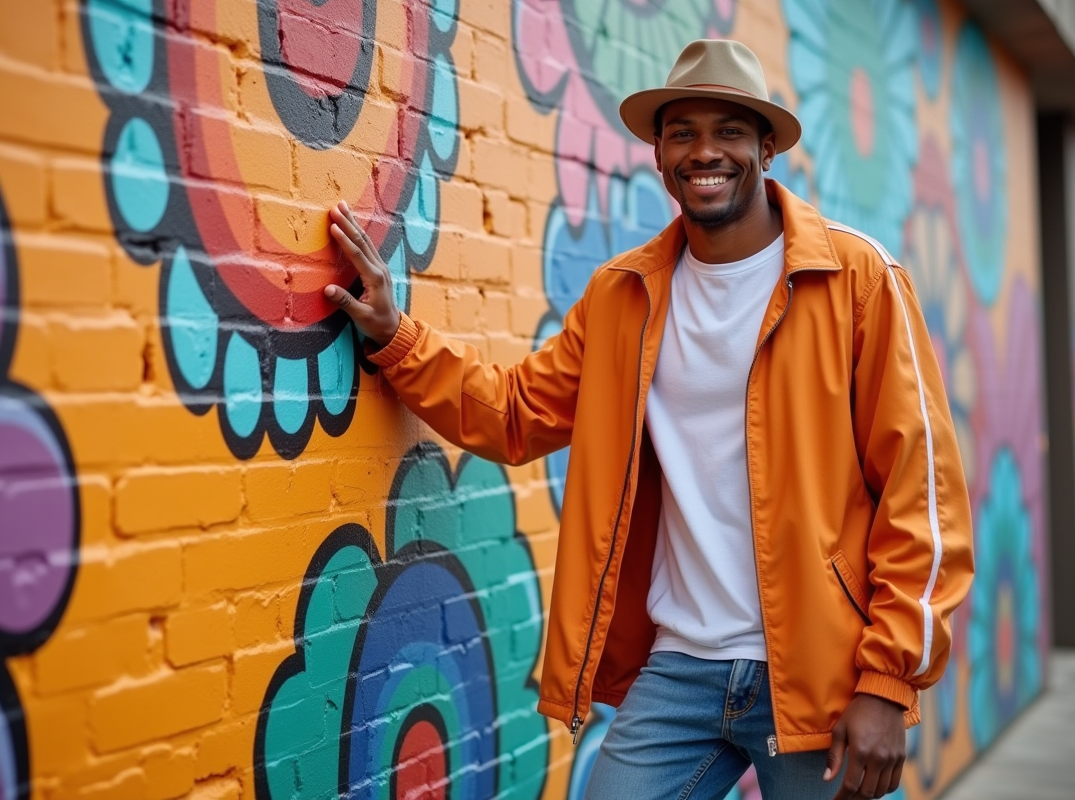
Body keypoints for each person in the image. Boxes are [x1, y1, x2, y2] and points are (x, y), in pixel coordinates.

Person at [322, 39, 973, 800]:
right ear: (659, 155)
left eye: (730, 130)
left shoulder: (857, 280)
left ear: (766, 146)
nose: (706, 151)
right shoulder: (623, 296)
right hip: (680, 669)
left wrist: (888, 681)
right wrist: (396, 338)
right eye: (683, 132)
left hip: (820, 673)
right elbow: (517, 412)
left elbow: (920, 491)